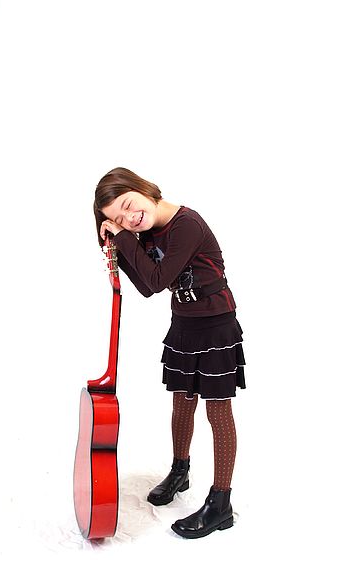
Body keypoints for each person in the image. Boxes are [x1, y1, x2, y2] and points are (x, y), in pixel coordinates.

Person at [94, 167, 245, 539]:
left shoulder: (186, 224)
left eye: (128, 206)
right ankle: (181, 472)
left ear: (142, 189)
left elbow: (159, 279)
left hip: (216, 325)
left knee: (217, 410)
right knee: (181, 402)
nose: (128, 218)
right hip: (184, 323)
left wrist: (123, 234)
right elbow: (147, 287)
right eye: (117, 218)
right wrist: (112, 244)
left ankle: (220, 503)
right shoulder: (143, 232)